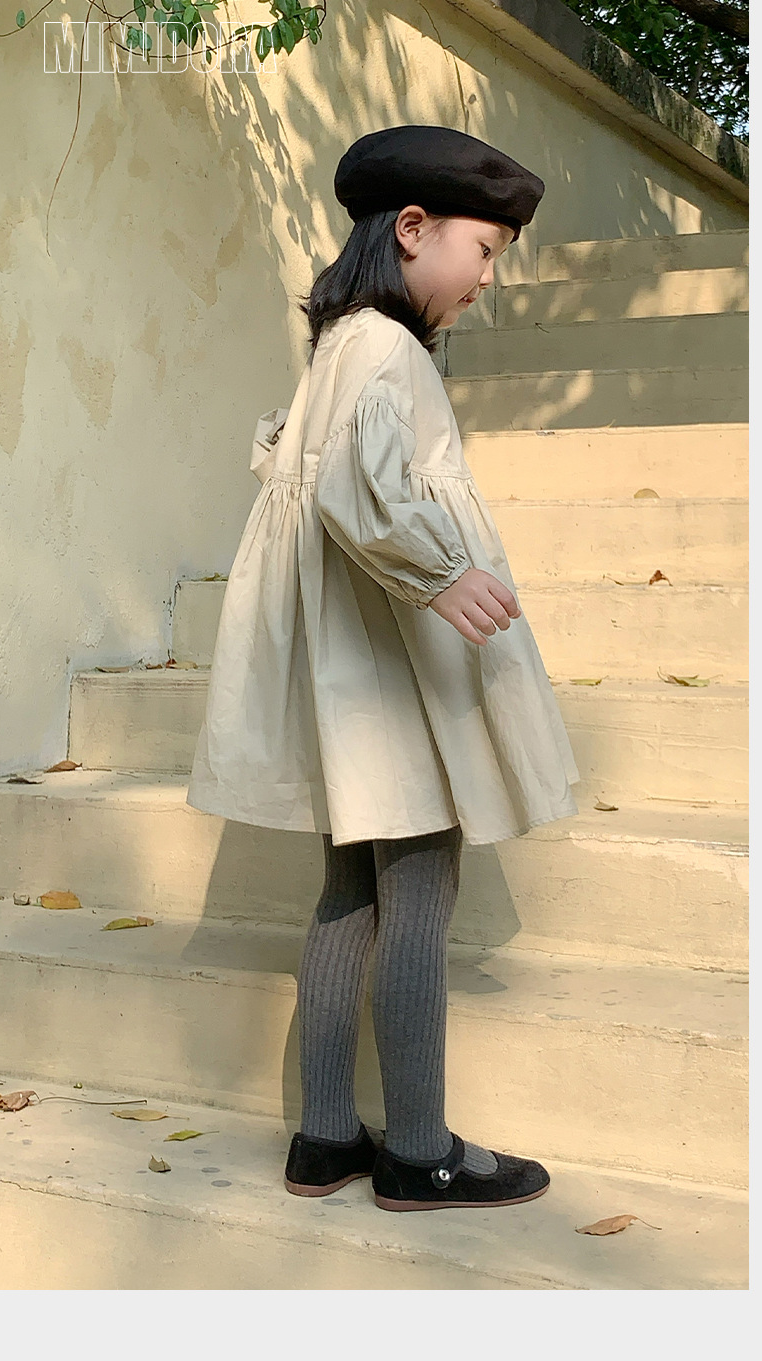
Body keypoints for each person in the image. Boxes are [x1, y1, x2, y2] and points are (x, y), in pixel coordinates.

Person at [186, 125, 580, 1213]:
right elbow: (355, 491)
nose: (488, 279)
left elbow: (317, 486)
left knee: (349, 890)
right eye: (484, 250)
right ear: (412, 229)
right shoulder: (388, 350)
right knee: (420, 888)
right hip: (389, 675)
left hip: (347, 680)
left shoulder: (338, 343)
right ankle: (418, 1149)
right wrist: (444, 573)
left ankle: (324, 1137)